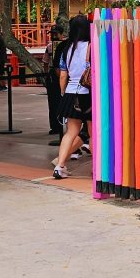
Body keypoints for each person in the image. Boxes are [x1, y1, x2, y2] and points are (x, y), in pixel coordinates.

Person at [51, 14, 93, 180]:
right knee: (92, 133)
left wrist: (63, 93)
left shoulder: (67, 48)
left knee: (71, 132)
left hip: (70, 93)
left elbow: (63, 75)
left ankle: (60, 166)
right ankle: (96, 169)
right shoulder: (91, 46)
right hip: (87, 94)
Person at [44, 23, 65, 144]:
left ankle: (63, 125)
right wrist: (46, 75)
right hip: (53, 75)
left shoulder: (65, 45)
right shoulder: (49, 46)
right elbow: (46, 62)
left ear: (62, 34)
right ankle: (54, 126)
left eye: (56, 33)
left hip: (63, 74)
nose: (54, 36)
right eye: (52, 34)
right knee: (52, 102)